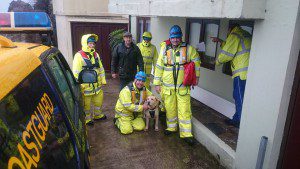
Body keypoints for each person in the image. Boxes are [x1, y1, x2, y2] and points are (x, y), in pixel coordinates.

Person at [154, 25, 201, 145]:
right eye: (173, 38)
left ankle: (186, 134)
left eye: (177, 37)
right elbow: (159, 66)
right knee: (170, 108)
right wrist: (156, 83)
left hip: (182, 87)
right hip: (168, 87)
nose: (175, 40)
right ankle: (171, 128)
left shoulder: (189, 49)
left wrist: (196, 78)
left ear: (181, 37)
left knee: (184, 110)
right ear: (170, 38)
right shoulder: (164, 48)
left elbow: (196, 62)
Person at [210, 24, 252, 128]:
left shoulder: (235, 34)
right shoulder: (245, 33)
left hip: (241, 73)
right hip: (248, 72)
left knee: (239, 97)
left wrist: (216, 61)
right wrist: (220, 41)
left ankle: (240, 123)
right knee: (241, 97)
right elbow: (233, 47)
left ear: (230, 29)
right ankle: (237, 119)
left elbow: (227, 53)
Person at [72, 34, 107, 125]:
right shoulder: (78, 56)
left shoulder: (96, 55)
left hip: (97, 86)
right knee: (86, 105)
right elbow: (76, 72)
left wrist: (103, 79)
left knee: (98, 102)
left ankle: (97, 115)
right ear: (85, 43)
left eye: (93, 43)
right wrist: (80, 84)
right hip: (86, 87)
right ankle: (87, 119)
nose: (92, 45)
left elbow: (101, 68)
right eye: (89, 43)